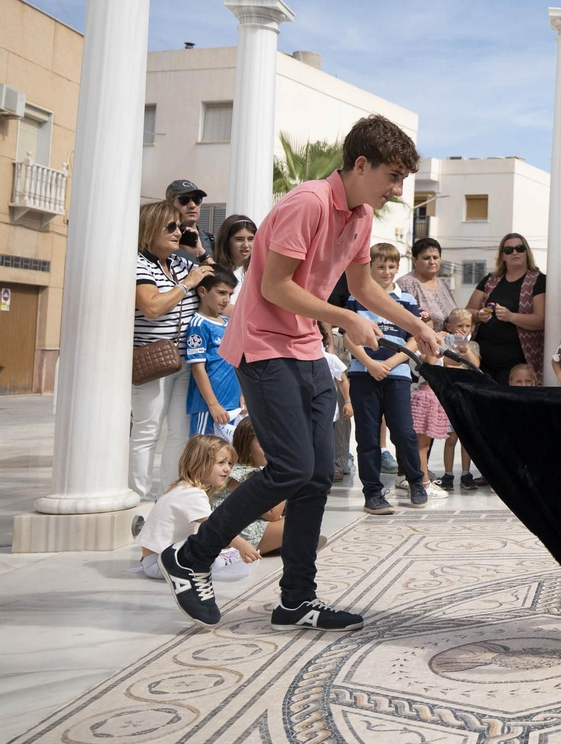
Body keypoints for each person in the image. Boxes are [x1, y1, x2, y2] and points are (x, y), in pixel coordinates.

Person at [158, 114, 440, 632]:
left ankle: (295, 601)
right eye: (393, 177)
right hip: (264, 347)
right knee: (288, 468)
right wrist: (346, 319)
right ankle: (191, 557)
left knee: (314, 477)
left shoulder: (359, 218)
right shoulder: (307, 203)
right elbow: (273, 287)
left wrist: (413, 325)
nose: (398, 190)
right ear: (361, 164)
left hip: (306, 348)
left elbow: (363, 288)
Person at [132, 200, 212, 499]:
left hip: (186, 361)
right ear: (149, 228)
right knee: (148, 431)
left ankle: (167, 495)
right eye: (171, 227)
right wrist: (186, 285)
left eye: (180, 227)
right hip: (153, 359)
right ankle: (137, 495)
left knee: (180, 431)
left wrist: (199, 252)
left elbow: (220, 283)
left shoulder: (182, 264)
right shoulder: (138, 262)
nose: (178, 232)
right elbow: (151, 307)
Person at [346, 242, 428, 514]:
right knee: (368, 436)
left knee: (404, 433)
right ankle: (372, 493)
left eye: (391, 266)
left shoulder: (407, 299)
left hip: (398, 375)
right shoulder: (356, 296)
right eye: (380, 266)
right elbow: (349, 335)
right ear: (369, 267)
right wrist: (370, 363)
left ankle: (416, 481)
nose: (386, 271)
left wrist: (391, 363)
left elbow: (415, 338)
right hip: (363, 374)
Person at [135, 435, 253, 583]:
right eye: (221, 462)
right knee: (217, 561)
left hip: (156, 559)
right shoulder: (192, 494)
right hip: (161, 564)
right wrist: (242, 545)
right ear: (199, 463)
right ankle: (225, 559)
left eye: (230, 463)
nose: (227, 469)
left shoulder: (184, 487)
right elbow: (215, 527)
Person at [468, 232, 546, 386]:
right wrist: (479, 314)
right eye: (509, 250)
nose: (515, 253)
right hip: (482, 361)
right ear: (502, 256)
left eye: (519, 248)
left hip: (517, 366)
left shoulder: (538, 280)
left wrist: (511, 317)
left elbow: (540, 320)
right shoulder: (490, 280)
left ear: (526, 252)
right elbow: (467, 312)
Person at [215, 418, 286, 556]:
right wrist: (282, 472)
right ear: (247, 446)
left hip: (246, 525)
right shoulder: (242, 475)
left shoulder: (253, 471)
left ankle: (279, 543)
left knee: (304, 515)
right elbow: (272, 514)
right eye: (263, 444)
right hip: (237, 533)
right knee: (302, 523)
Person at [184, 269, 240, 436]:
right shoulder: (198, 324)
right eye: (221, 293)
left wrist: (243, 394)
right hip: (208, 407)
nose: (226, 299)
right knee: (204, 456)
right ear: (202, 292)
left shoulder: (228, 322)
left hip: (232, 405)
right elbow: (198, 368)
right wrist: (213, 404)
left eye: (230, 294)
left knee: (225, 457)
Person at [431, 308, 480, 489]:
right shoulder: (443, 344)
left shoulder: (472, 346)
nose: (464, 329)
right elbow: (442, 362)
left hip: (466, 395)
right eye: (460, 326)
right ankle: (448, 473)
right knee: (450, 438)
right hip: (449, 394)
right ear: (450, 327)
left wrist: (464, 349)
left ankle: (466, 474)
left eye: (467, 326)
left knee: (466, 438)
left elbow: (475, 365)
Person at [397, 237, 459, 332]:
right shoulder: (405, 284)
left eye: (435, 257)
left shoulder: (443, 285)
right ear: (415, 260)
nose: (432, 262)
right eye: (426, 258)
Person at [320, 322, 354, 483]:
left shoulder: (329, 358)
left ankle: (333, 467)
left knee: (328, 440)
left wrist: (347, 401)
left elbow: (342, 379)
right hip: (310, 410)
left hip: (328, 410)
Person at [166, 179, 215, 261]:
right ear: (170, 204)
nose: (192, 205)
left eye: (197, 199)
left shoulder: (212, 242)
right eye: (184, 200)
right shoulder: (160, 241)